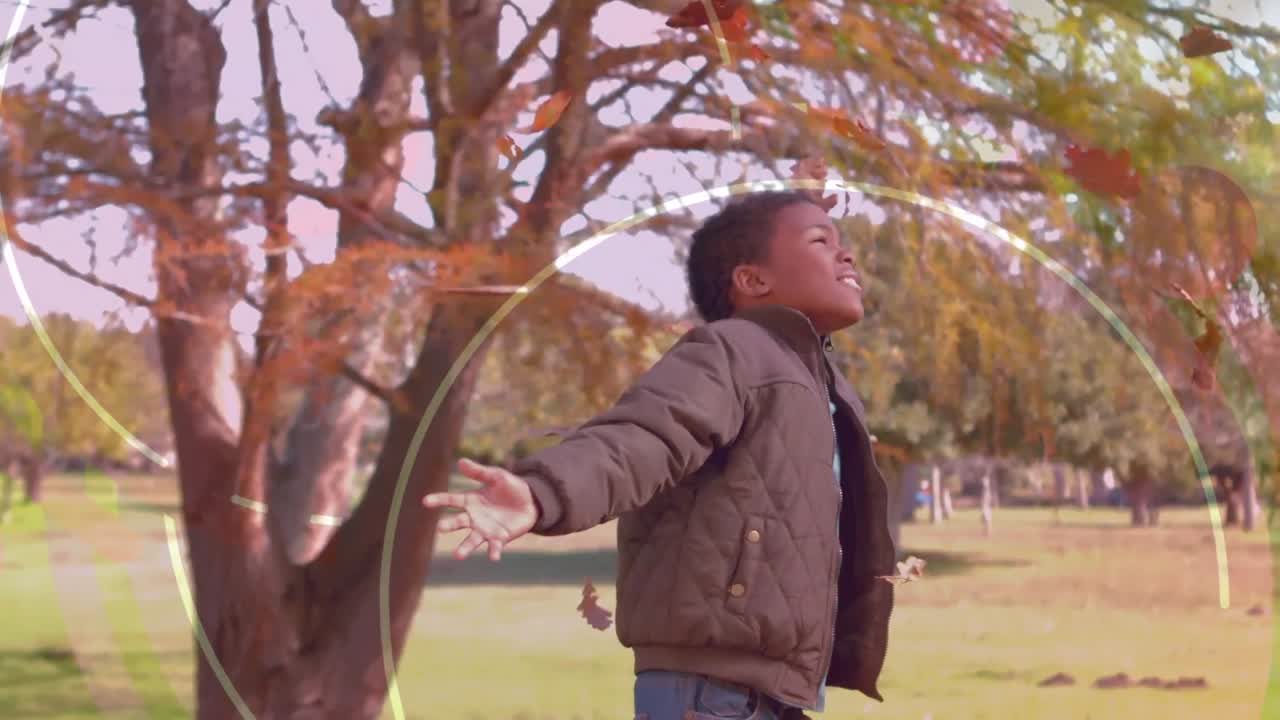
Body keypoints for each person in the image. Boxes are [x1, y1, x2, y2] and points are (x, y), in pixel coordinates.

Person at [423, 190, 896, 720]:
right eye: (820, 241)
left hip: (772, 691)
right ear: (753, 280)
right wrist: (542, 492)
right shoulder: (731, 351)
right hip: (711, 691)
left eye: (843, 242)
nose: (846, 254)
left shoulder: (824, 388)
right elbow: (643, 437)